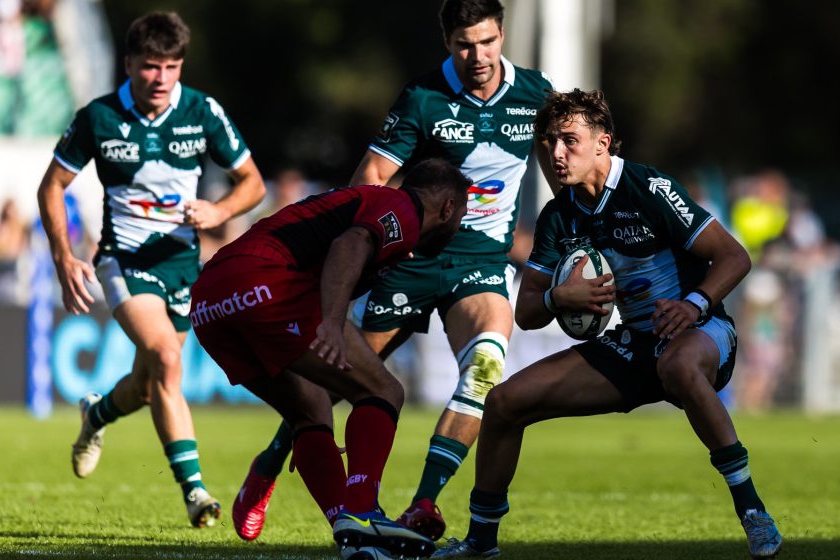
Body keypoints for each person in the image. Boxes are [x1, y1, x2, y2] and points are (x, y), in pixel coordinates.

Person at [231, 0, 556, 543]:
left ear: (502, 34)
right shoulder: (423, 97)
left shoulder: (535, 93)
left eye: (487, 41)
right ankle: (268, 464)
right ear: (447, 43)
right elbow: (373, 175)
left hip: (480, 263)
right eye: (464, 45)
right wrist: (373, 240)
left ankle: (424, 502)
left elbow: (560, 163)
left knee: (484, 367)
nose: (477, 55)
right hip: (411, 259)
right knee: (337, 381)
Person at [433, 89, 783, 559]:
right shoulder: (559, 216)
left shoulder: (648, 187)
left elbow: (734, 257)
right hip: (633, 345)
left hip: (699, 332)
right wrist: (560, 297)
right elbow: (528, 312)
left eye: (569, 140)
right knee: (503, 403)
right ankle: (480, 542)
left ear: (603, 143)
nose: (557, 153)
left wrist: (693, 304)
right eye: (550, 141)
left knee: (678, 366)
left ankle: (753, 511)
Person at [36, 12, 266, 528]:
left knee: (148, 384)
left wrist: (220, 211)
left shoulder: (202, 111)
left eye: (171, 67)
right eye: (150, 66)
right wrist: (63, 255)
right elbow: (51, 186)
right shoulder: (99, 117)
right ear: (128, 64)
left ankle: (96, 414)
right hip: (124, 259)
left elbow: (252, 182)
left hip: (182, 264)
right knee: (165, 356)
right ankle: (195, 491)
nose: (161, 78)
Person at [190, 158, 471, 559]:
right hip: (261, 280)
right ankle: (362, 511)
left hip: (210, 302)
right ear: (447, 208)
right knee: (383, 391)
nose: (458, 225)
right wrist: (333, 323)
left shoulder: (383, 214)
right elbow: (349, 245)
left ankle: (353, 535)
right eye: (461, 215)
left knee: (311, 411)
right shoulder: (404, 210)